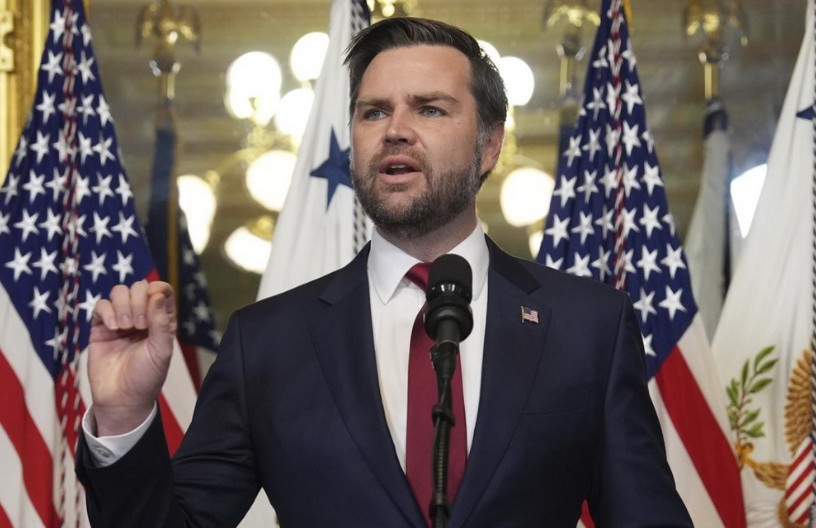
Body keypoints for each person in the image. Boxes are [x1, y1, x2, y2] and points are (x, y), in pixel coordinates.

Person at [77, 16, 692, 527]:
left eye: (429, 109)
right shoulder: (267, 342)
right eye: (373, 113)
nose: (395, 130)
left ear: (489, 145)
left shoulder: (587, 327)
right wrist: (125, 417)